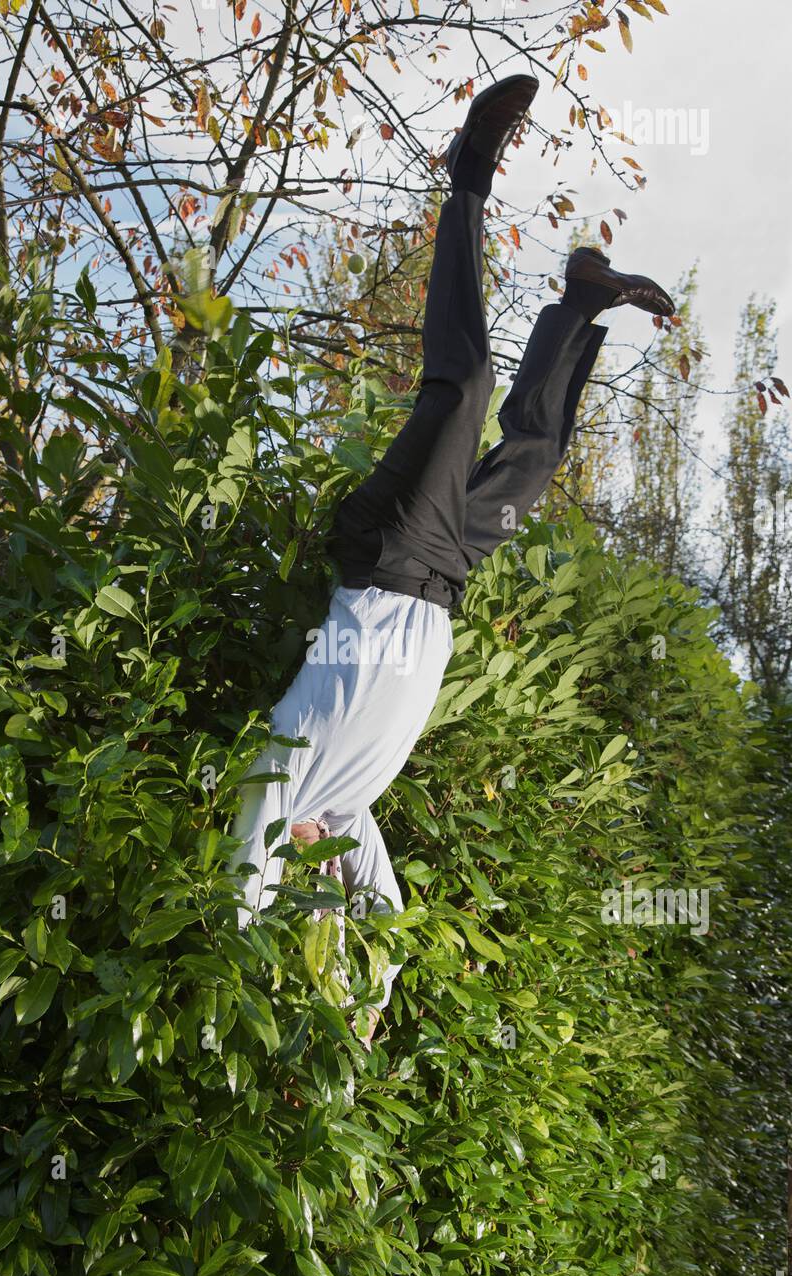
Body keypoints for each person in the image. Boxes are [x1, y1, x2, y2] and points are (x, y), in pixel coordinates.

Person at [229, 75, 675, 1045]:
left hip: (386, 547)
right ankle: (578, 306)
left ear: (283, 859)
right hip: (448, 575)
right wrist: (365, 996)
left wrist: (246, 934)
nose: (316, 860)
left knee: (461, 382)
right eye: (322, 875)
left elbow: (239, 881)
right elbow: (381, 915)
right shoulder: (348, 811)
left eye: (297, 868)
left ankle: (466, 174)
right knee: (532, 461)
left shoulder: (285, 767)